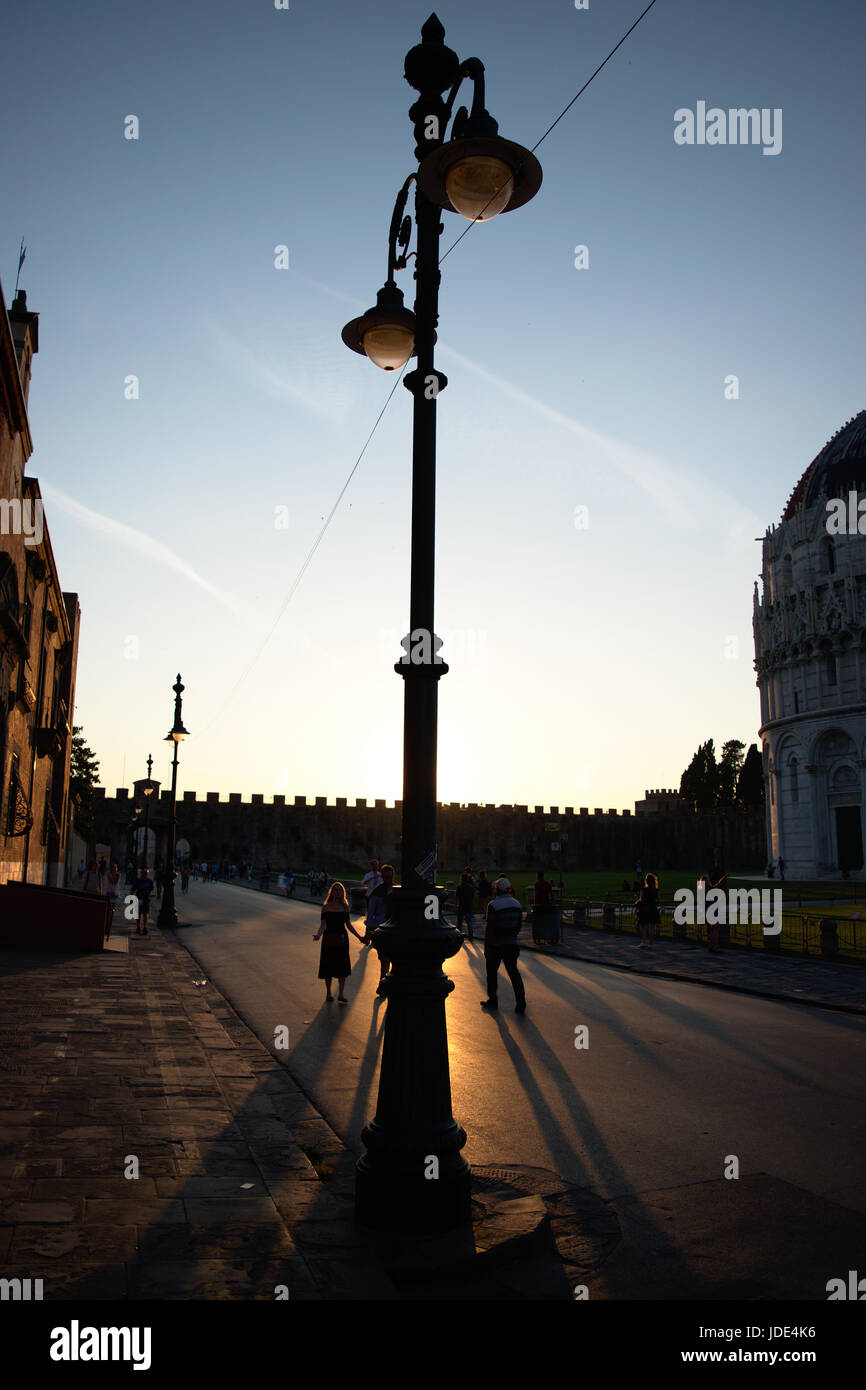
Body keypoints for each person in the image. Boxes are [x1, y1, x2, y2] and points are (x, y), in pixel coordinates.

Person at [312, 881, 364, 1003]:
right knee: (328, 966)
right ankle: (329, 993)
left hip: (342, 938)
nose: (337, 892)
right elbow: (323, 924)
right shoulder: (326, 907)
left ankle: (341, 993)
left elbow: (349, 925)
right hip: (328, 938)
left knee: (342, 966)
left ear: (342, 893)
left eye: (339, 890)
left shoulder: (345, 907)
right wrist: (318, 935)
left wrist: (359, 936)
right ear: (332, 892)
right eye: (335, 890)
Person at [481, 877, 526, 1013]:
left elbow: (490, 928)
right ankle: (521, 1002)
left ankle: (493, 1000)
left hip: (496, 945)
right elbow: (518, 926)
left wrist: (487, 946)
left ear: (497, 890)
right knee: (514, 974)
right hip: (511, 943)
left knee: (492, 974)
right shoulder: (517, 904)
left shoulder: (493, 905)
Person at [365, 863, 395, 992]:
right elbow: (371, 914)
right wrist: (368, 932)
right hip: (382, 930)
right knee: (384, 960)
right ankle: (382, 984)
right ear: (382, 876)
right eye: (386, 877)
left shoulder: (398, 890)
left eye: (390, 876)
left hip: (395, 929)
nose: (388, 879)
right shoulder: (377, 892)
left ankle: (387, 983)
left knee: (393, 959)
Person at [635, 872, 661, 948]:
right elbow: (658, 900)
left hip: (645, 909)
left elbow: (641, 899)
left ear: (646, 881)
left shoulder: (644, 889)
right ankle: (650, 943)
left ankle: (643, 942)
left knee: (642, 925)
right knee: (652, 926)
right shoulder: (656, 890)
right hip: (653, 908)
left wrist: (637, 903)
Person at [133, 866, 154, 935]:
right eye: (144, 873)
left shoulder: (150, 881)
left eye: (146, 873)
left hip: (146, 899)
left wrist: (148, 893)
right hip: (139, 899)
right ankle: (138, 927)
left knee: (145, 914)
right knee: (138, 914)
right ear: (141, 874)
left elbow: (151, 889)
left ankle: (144, 927)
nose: (145, 874)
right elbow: (133, 889)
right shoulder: (138, 881)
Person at [456, 870, 476, 941]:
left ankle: (458, 935)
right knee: (469, 922)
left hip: (461, 906)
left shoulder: (459, 887)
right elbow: (472, 897)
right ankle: (471, 936)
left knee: (459, 922)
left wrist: (456, 906)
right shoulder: (470, 887)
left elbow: (457, 898)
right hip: (468, 906)